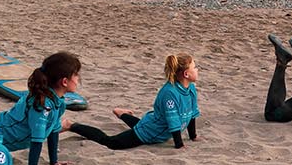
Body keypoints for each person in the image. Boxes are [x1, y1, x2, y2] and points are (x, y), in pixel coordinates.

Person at [71, 54, 201, 151]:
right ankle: (72, 125)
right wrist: (179, 145)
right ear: (186, 74)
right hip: (147, 134)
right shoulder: (170, 93)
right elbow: (173, 121)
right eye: (194, 68)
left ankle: (121, 113)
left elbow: (192, 113)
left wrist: (193, 136)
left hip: (154, 126)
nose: (197, 70)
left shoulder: (191, 88)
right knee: (110, 143)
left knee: (145, 124)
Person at [0, 52, 82, 165]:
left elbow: (54, 130)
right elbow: (36, 141)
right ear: (64, 81)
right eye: (76, 75)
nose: (78, 78)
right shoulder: (42, 105)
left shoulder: (57, 100)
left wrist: (54, 161)